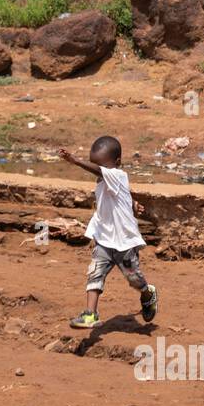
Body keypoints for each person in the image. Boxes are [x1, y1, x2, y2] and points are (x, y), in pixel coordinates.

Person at [58, 138, 159, 330]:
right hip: (104, 239)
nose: (98, 170)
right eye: (94, 164)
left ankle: (147, 293)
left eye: (101, 166)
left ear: (117, 163)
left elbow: (105, 176)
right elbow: (122, 195)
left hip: (124, 242)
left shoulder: (117, 175)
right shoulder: (107, 181)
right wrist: (133, 204)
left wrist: (75, 160)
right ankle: (90, 314)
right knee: (95, 273)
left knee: (134, 279)